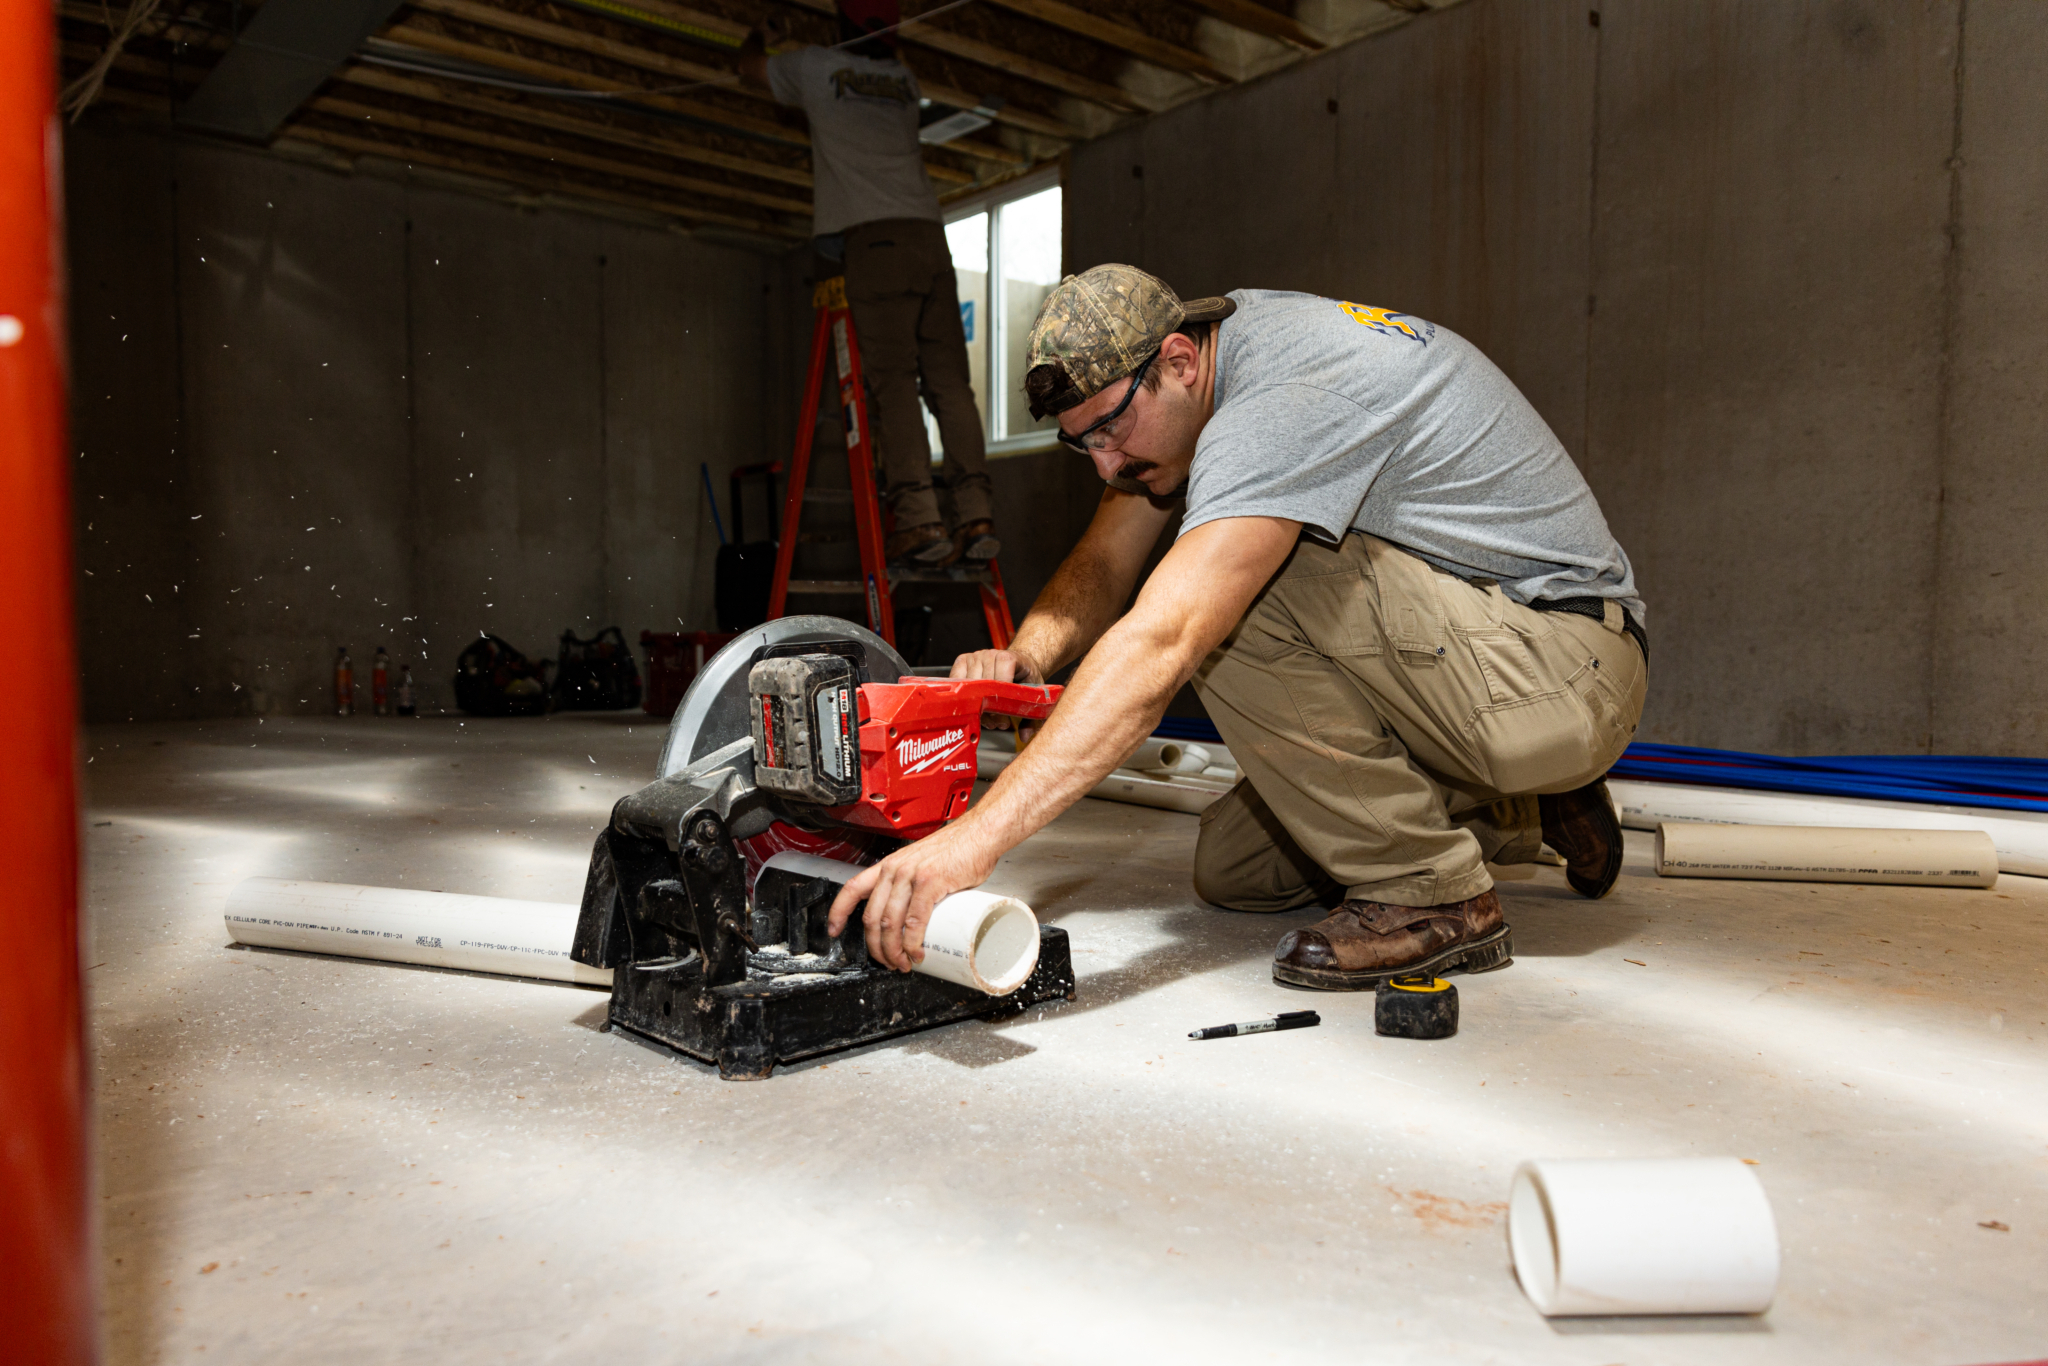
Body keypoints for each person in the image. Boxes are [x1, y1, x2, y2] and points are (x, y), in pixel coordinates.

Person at [827, 264, 1649, 990]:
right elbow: (1106, 559)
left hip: (1567, 665)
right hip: (1471, 667)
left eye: (1111, 429)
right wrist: (1024, 656)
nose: (1107, 463)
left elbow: (1164, 638)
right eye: (1083, 445)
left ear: (1180, 361)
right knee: (1234, 871)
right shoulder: (1193, 375)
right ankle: (1523, 806)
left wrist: (974, 839)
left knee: (1233, 596)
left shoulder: (1279, 405)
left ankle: (1432, 894)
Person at [739, 0, 998, 567]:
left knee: (895, 383)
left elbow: (749, 70)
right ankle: (976, 514)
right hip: (929, 237)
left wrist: (761, 32)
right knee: (951, 385)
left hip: (875, 243)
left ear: (842, 24)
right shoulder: (904, 80)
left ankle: (919, 518)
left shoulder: (815, 66)